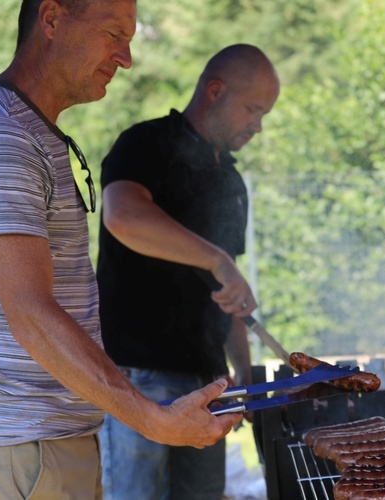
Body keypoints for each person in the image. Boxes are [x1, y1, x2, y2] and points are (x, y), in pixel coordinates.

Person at [0, 1, 243, 498]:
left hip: (40, 448)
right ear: (51, 20)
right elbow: (31, 315)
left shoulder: (28, 132)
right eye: (115, 33)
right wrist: (154, 420)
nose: (126, 58)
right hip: (19, 450)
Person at [96, 43, 281, 499]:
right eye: (253, 110)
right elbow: (122, 216)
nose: (258, 126)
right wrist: (216, 258)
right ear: (215, 90)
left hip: (208, 381)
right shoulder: (147, 143)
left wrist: (244, 368)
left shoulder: (231, 181)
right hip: (137, 377)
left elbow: (227, 291)